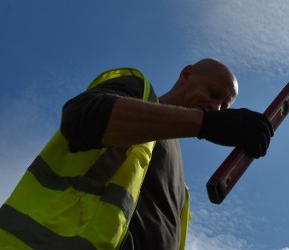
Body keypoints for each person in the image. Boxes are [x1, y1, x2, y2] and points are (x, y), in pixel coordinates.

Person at [0, 58, 274, 249]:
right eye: (213, 93)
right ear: (186, 74)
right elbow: (82, 118)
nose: (216, 107)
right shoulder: (138, 89)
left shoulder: (181, 185)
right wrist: (206, 124)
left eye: (224, 107)